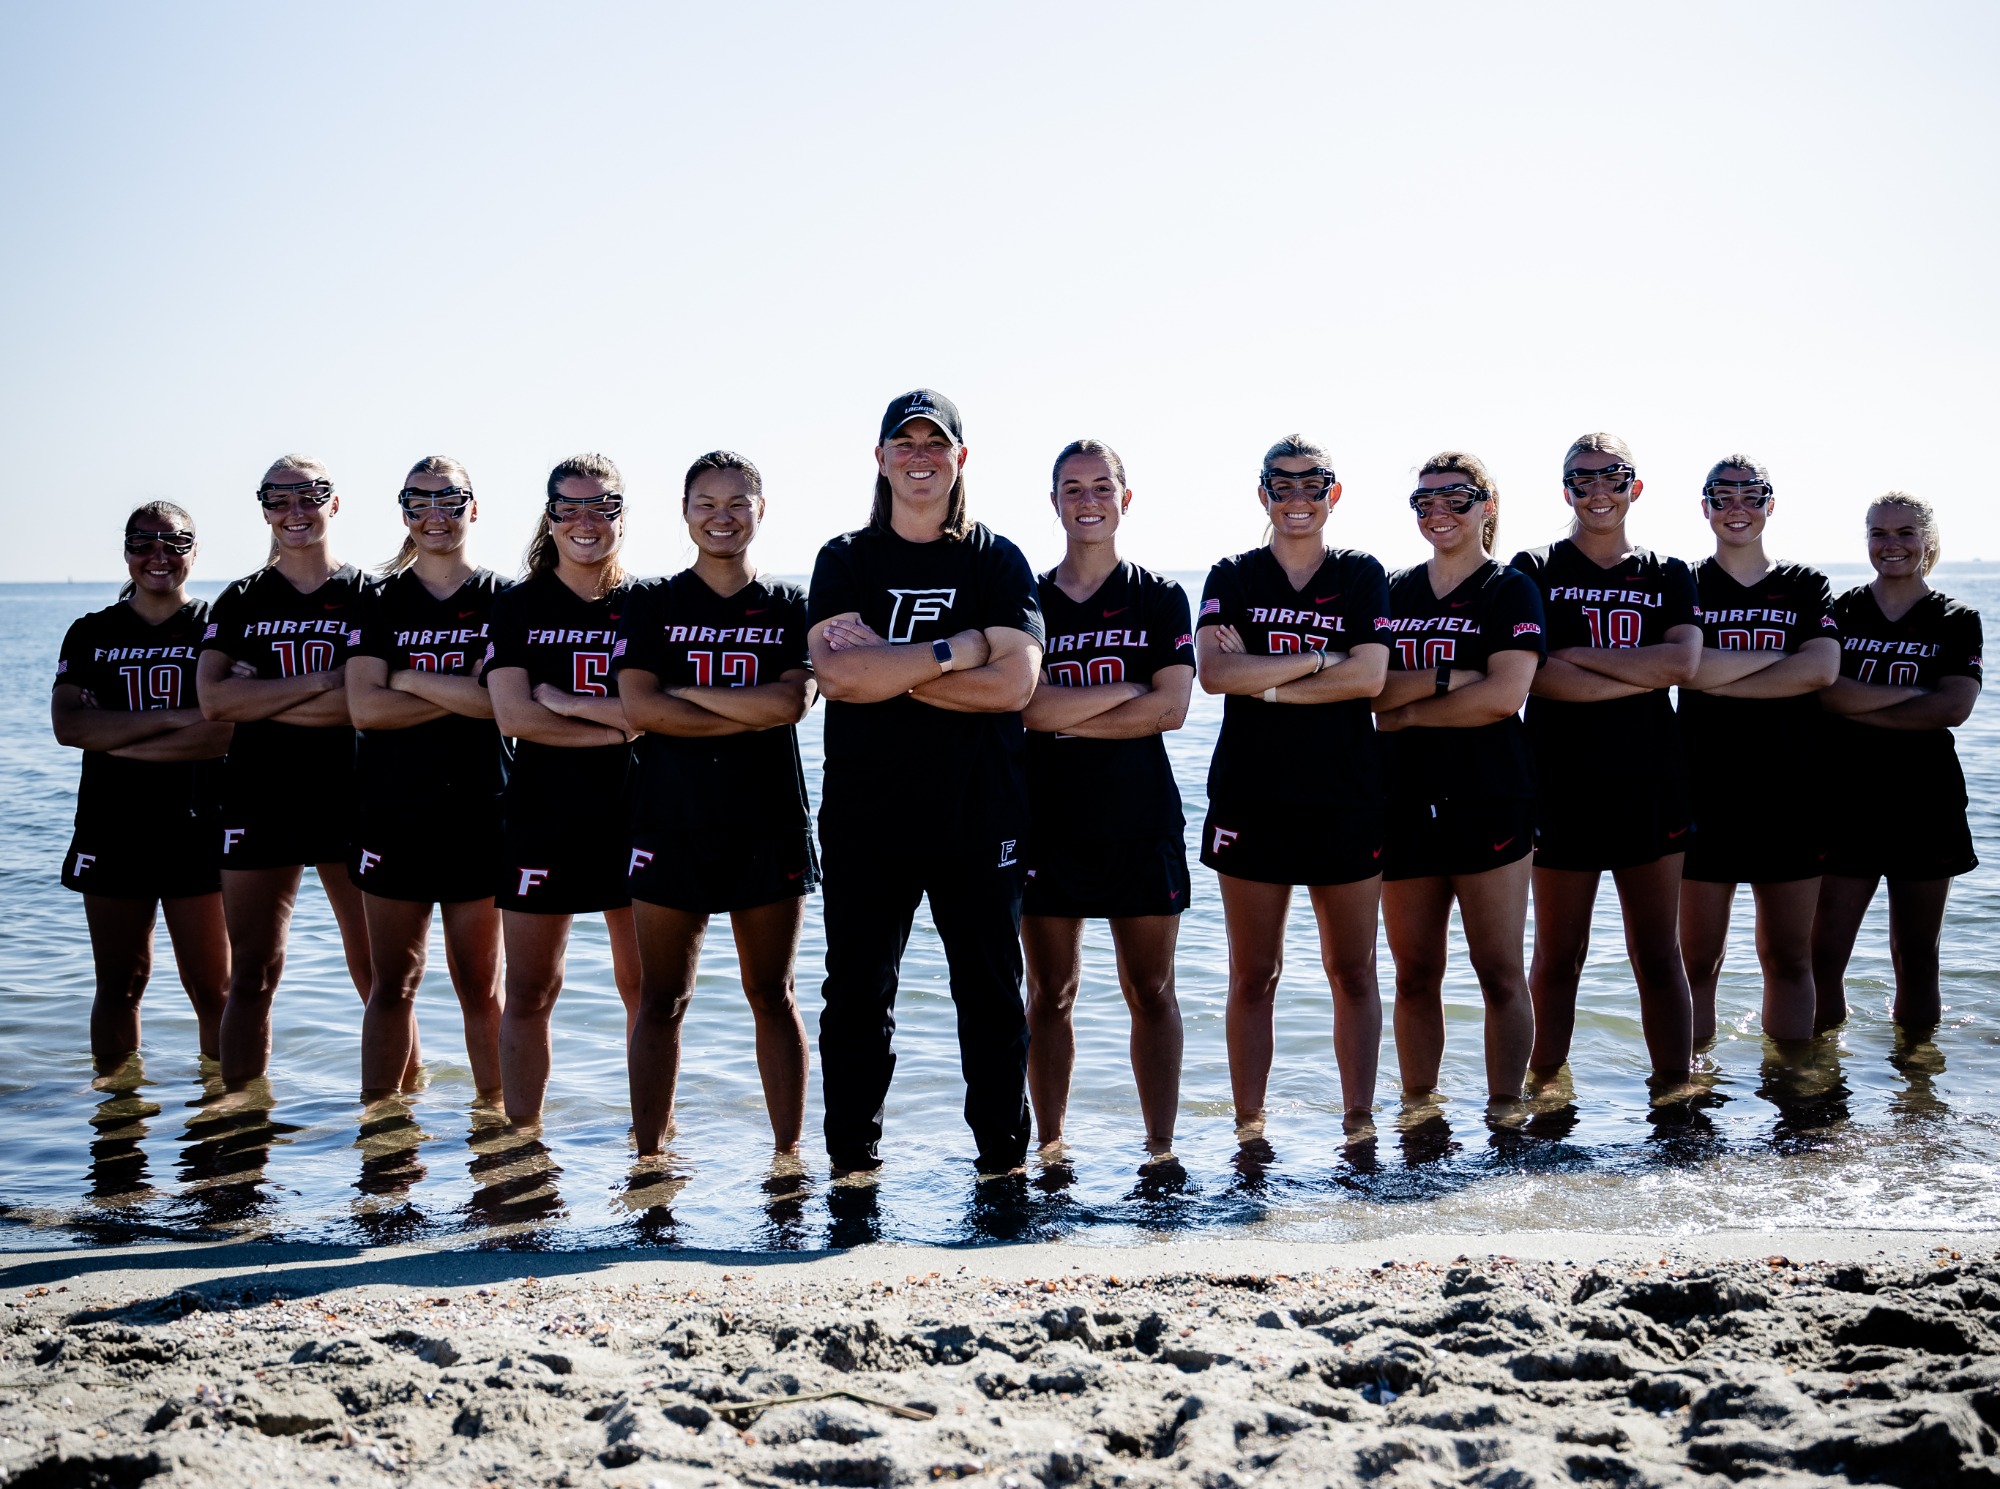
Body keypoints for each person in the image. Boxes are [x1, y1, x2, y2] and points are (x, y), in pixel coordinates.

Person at [806, 389, 1043, 1176]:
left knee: (990, 996)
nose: (918, 455)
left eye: (934, 443)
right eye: (902, 443)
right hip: (868, 818)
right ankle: (851, 1166)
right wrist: (958, 648)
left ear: (959, 459)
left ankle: (1004, 1164)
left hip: (980, 815)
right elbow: (838, 676)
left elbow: (1015, 686)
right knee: (857, 997)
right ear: (879, 458)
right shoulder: (845, 558)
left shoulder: (995, 559)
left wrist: (893, 669)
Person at [615, 451, 818, 1157]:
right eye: (707, 503)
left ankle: (788, 1157)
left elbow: (790, 701)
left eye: (738, 502)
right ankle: (649, 1158)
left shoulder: (792, 604)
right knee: (662, 998)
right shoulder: (651, 601)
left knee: (772, 992)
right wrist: (743, 710)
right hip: (669, 819)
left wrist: (687, 697)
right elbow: (639, 708)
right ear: (684, 510)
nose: (722, 517)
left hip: (767, 819)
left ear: (761, 510)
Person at [1196, 435, 1393, 1135]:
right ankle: (1250, 1129)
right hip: (1252, 795)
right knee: (1254, 975)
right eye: (1282, 486)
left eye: (1313, 485)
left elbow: (1369, 678)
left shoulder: (1365, 574)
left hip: (1346, 796)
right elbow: (1216, 675)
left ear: (1334, 493)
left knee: (1353, 971)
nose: (1298, 498)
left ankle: (1359, 1123)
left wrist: (1268, 678)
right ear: (1263, 496)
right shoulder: (1233, 573)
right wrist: (1319, 658)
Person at [1019, 439, 1195, 1159]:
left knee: (1150, 990)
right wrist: (1123, 692)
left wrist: (1070, 713)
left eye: (1101, 486)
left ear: (1125, 497)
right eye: (1072, 488)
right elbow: (1023, 707)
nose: (1087, 500)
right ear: (1054, 501)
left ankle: (1160, 1149)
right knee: (1049, 994)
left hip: (1140, 817)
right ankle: (1051, 1149)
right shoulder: (1026, 596)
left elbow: (1172, 708)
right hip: (1046, 820)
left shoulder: (1158, 595)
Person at [1510, 434, 1701, 1085]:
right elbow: (1534, 675)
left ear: (1634, 486)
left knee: (1657, 952)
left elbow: (1681, 663)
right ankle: (1543, 1096)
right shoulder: (1533, 567)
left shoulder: (1669, 571)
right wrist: (1637, 675)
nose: (1598, 490)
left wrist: (1580, 659)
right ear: (1565, 488)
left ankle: (1674, 1097)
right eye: (1582, 479)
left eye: (1612, 477)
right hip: (1559, 783)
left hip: (1651, 780)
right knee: (1558, 955)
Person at [1372, 453, 1544, 1107]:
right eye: (1424, 501)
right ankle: (1421, 1112)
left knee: (1499, 973)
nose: (1438, 510)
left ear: (1487, 504)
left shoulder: (1510, 588)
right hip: (1403, 799)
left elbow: (1503, 696)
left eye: (1456, 497)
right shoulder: (1393, 590)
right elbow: (1368, 687)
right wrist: (1450, 680)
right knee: (1415, 975)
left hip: (1491, 796)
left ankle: (1506, 1114)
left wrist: (1409, 709)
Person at [196, 456, 372, 1086]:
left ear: (334, 503)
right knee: (252, 973)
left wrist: (268, 691)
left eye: (309, 497)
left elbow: (366, 702)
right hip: (257, 795)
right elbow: (216, 702)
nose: (295, 512)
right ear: (264, 508)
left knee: (380, 975)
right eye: (279, 500)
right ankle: (240, 1122)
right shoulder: (241, 598)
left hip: (351, 794)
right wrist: (327, 682)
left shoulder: (370, 594)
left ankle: (395, 1121)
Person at [480, 453, 641, 1125]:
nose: (586, 521)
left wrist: (567, 704)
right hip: (541, 816)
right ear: (549, 518)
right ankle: (522, 1145)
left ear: (621, 517)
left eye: (602, 507)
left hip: (637, 814)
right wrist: (615, 727)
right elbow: (515, 716)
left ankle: (651, 1144)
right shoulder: (516, 605)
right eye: (570, 507)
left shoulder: (645, 603)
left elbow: (657, 714)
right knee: (531, 990)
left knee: (648, 992)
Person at [345, 457, 508, 1100]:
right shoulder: (377, 599)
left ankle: (499, 1131)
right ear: (403, 510)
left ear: (474, 507)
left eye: (450, 499)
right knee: (393, 985)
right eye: (419, 501)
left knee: (480, 988)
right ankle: (381, 1131)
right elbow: (365, 708)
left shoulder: (504, 598)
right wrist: (458, 689)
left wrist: (406, 677)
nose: (435, 514)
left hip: (480, 811)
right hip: (393, 812)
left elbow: (501, 703)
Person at [52, 502, 233, 1069]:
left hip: (198, 824)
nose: (158, 556)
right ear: (126, 550)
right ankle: (116, 1124)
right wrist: (181, 716)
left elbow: (222, 735)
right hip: (112, 824)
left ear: (195, 551)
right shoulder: (91, 632)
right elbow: (69, 726)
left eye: (174, 544)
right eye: (143, 544)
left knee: (215, 991)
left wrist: (116, 737)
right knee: (120, 984)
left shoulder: (217, 628)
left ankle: (225, 1117)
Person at [1675, 457, 1841, 1045]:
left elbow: (1821, 670)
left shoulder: (1805, 584)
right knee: (1696, 964)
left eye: (1751, 495)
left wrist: (1714, 676)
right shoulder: (1684, 581)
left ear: (1772, 504)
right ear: (1705, 508)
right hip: (1701, 789)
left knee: (1789, 960)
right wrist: (1780, 660)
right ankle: (1688, 1092)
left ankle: (1794, 1089)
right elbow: (1681, 671)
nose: (1737, 507)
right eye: (1723, 497)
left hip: (1790, 790)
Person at [1812, 493, 1981, 1031]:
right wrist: (1913, 701)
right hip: (1844, 801)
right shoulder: (1839, 613)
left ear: (1927, 541)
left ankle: (1916, 1094)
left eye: (1905, 533)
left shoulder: (1956, 619)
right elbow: (1823, 695)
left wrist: (1860, 701)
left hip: (1926, 803)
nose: (1892, 545)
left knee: (1917, 960)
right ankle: (1816, 1085)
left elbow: (1954, 707)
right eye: (1879, 533)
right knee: (1823, 958)